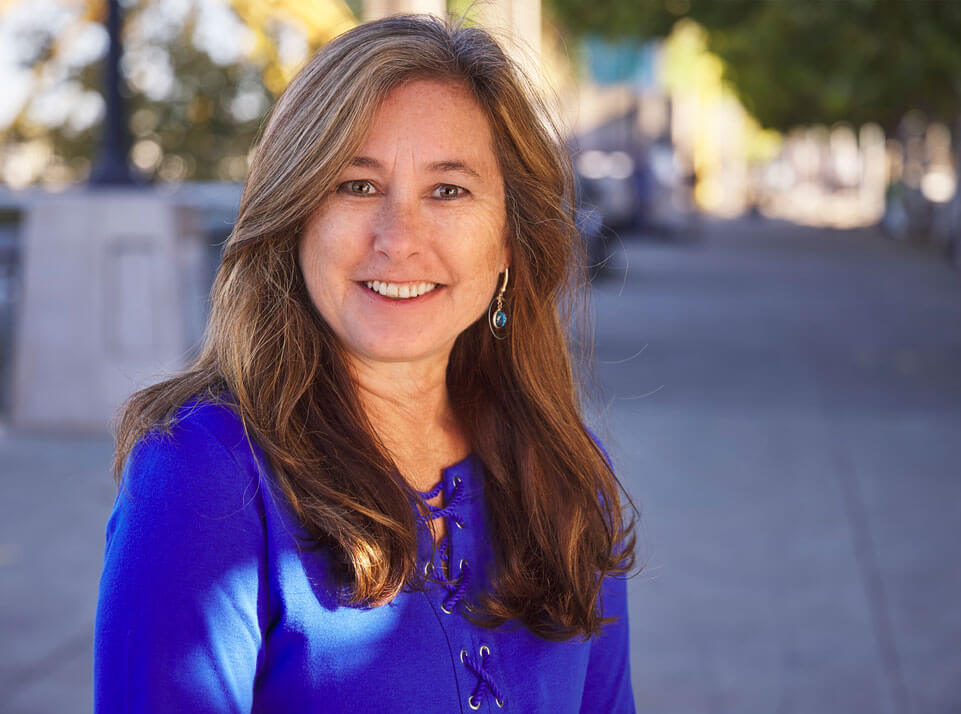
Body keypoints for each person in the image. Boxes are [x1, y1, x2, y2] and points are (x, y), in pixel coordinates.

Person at [95, 13, 636, 713]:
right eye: (356, 185)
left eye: (448, 190)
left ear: (509, 241)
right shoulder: (202, 474)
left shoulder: (568, 477)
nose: (398, 238)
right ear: (293, 218)